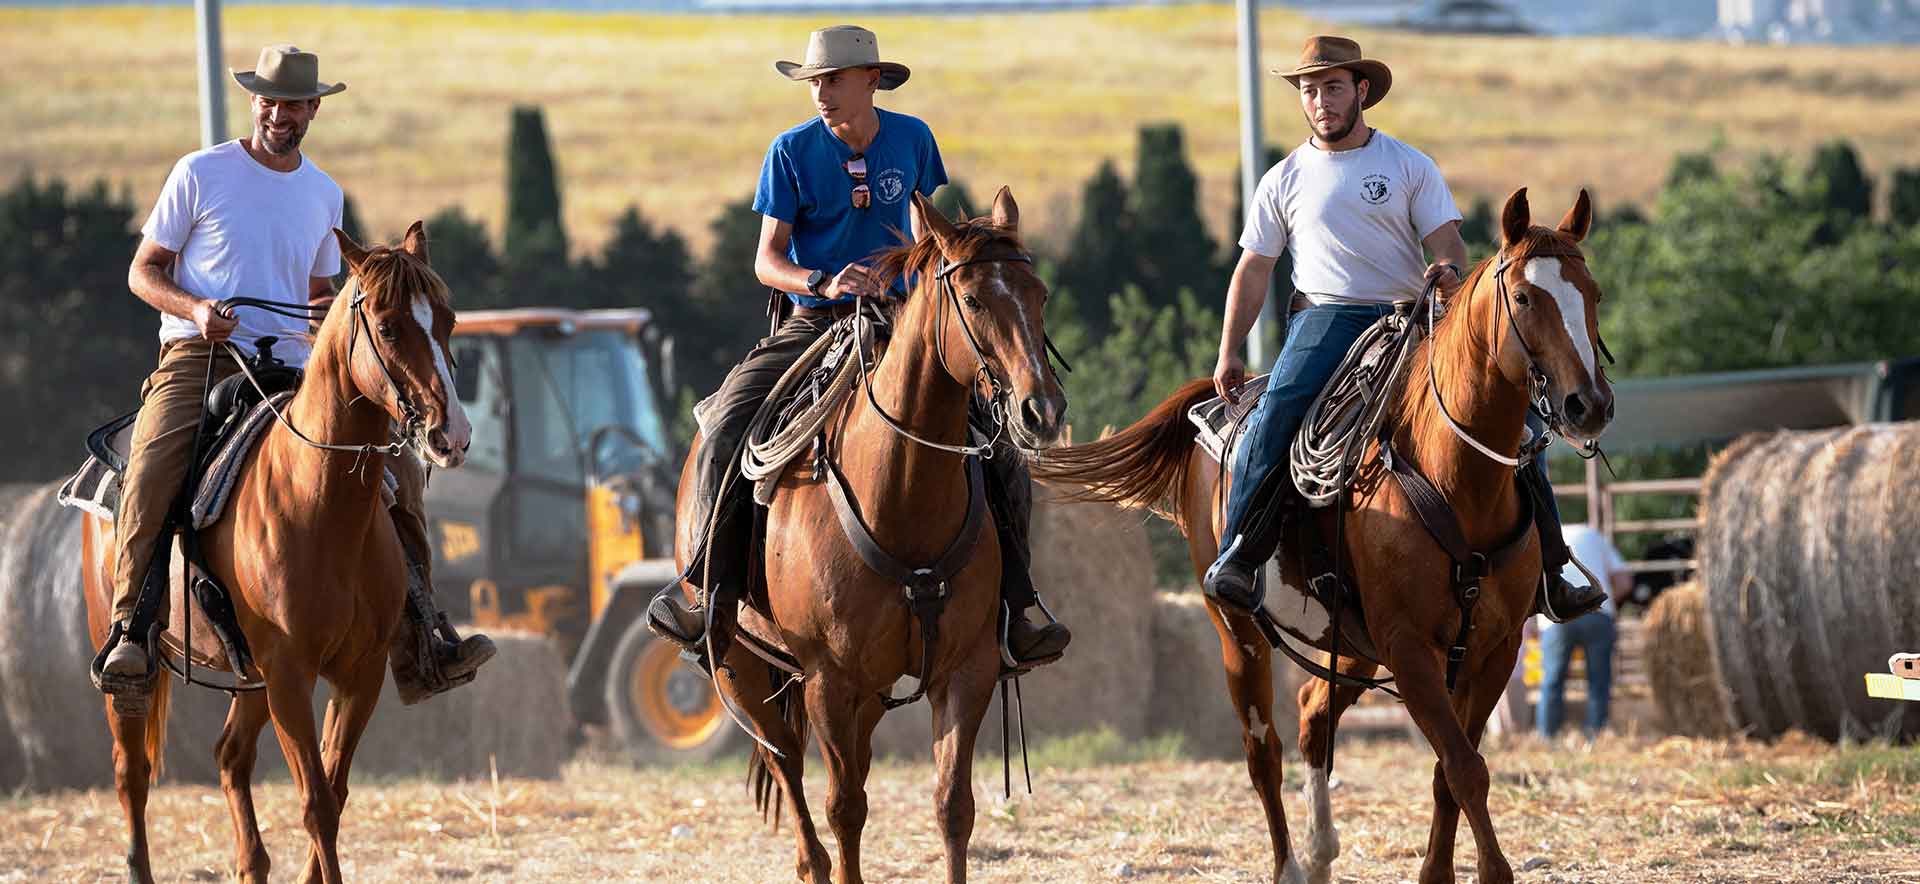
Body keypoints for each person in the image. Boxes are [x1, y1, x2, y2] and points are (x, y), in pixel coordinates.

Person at [645, 25, 1070, 665]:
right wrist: (820, 278)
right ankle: (706, 589)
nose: (820, 92)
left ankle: (1018, 602)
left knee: (997, 445)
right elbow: (766, 259)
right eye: (813, 81)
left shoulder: (913, 139)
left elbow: (929, 234)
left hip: (905, 320)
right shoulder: (789, 152)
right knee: (728, 422)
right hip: (815, 318)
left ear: (871, 79)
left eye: (832, 79)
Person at [99, 44, 493, 700]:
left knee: (400, 474)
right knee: (154, 464)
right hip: (203, 355)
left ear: (313, 109)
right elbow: (144, 271)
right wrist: (196, 309)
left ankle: (424, 638)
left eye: (294, 104)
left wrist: (324, 336)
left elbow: (317, 296)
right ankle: (130, 630)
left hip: (295, 365)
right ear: (255, 102)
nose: (280, 114)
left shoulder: (323, 193)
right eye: (269, 101)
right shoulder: (199, 173)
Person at [1198, 35, 1608, 623]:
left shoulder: (1408, 165)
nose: (1320, 101)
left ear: (1361, 91)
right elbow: (1254, 268)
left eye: (1333, 88)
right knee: (1281, 407)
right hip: (1325, 317)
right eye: (1310, 90)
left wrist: (1447, 270)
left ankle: (1553, 567)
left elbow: (1446, 243)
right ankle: (1241, 552)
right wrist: (1229, 348)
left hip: (1412, 315)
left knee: (1518, 420)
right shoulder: (1282, 179)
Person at [1535, 524, 1632, 737]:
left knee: (1552, 679)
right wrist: (1609, 605)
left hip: (1557, 617)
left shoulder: (1543, 535)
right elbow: (1624, 582)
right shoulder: (1593, 535)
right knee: (1599, 680)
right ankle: (1595, 735)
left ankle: (1547, 736)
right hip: (1597, 613)